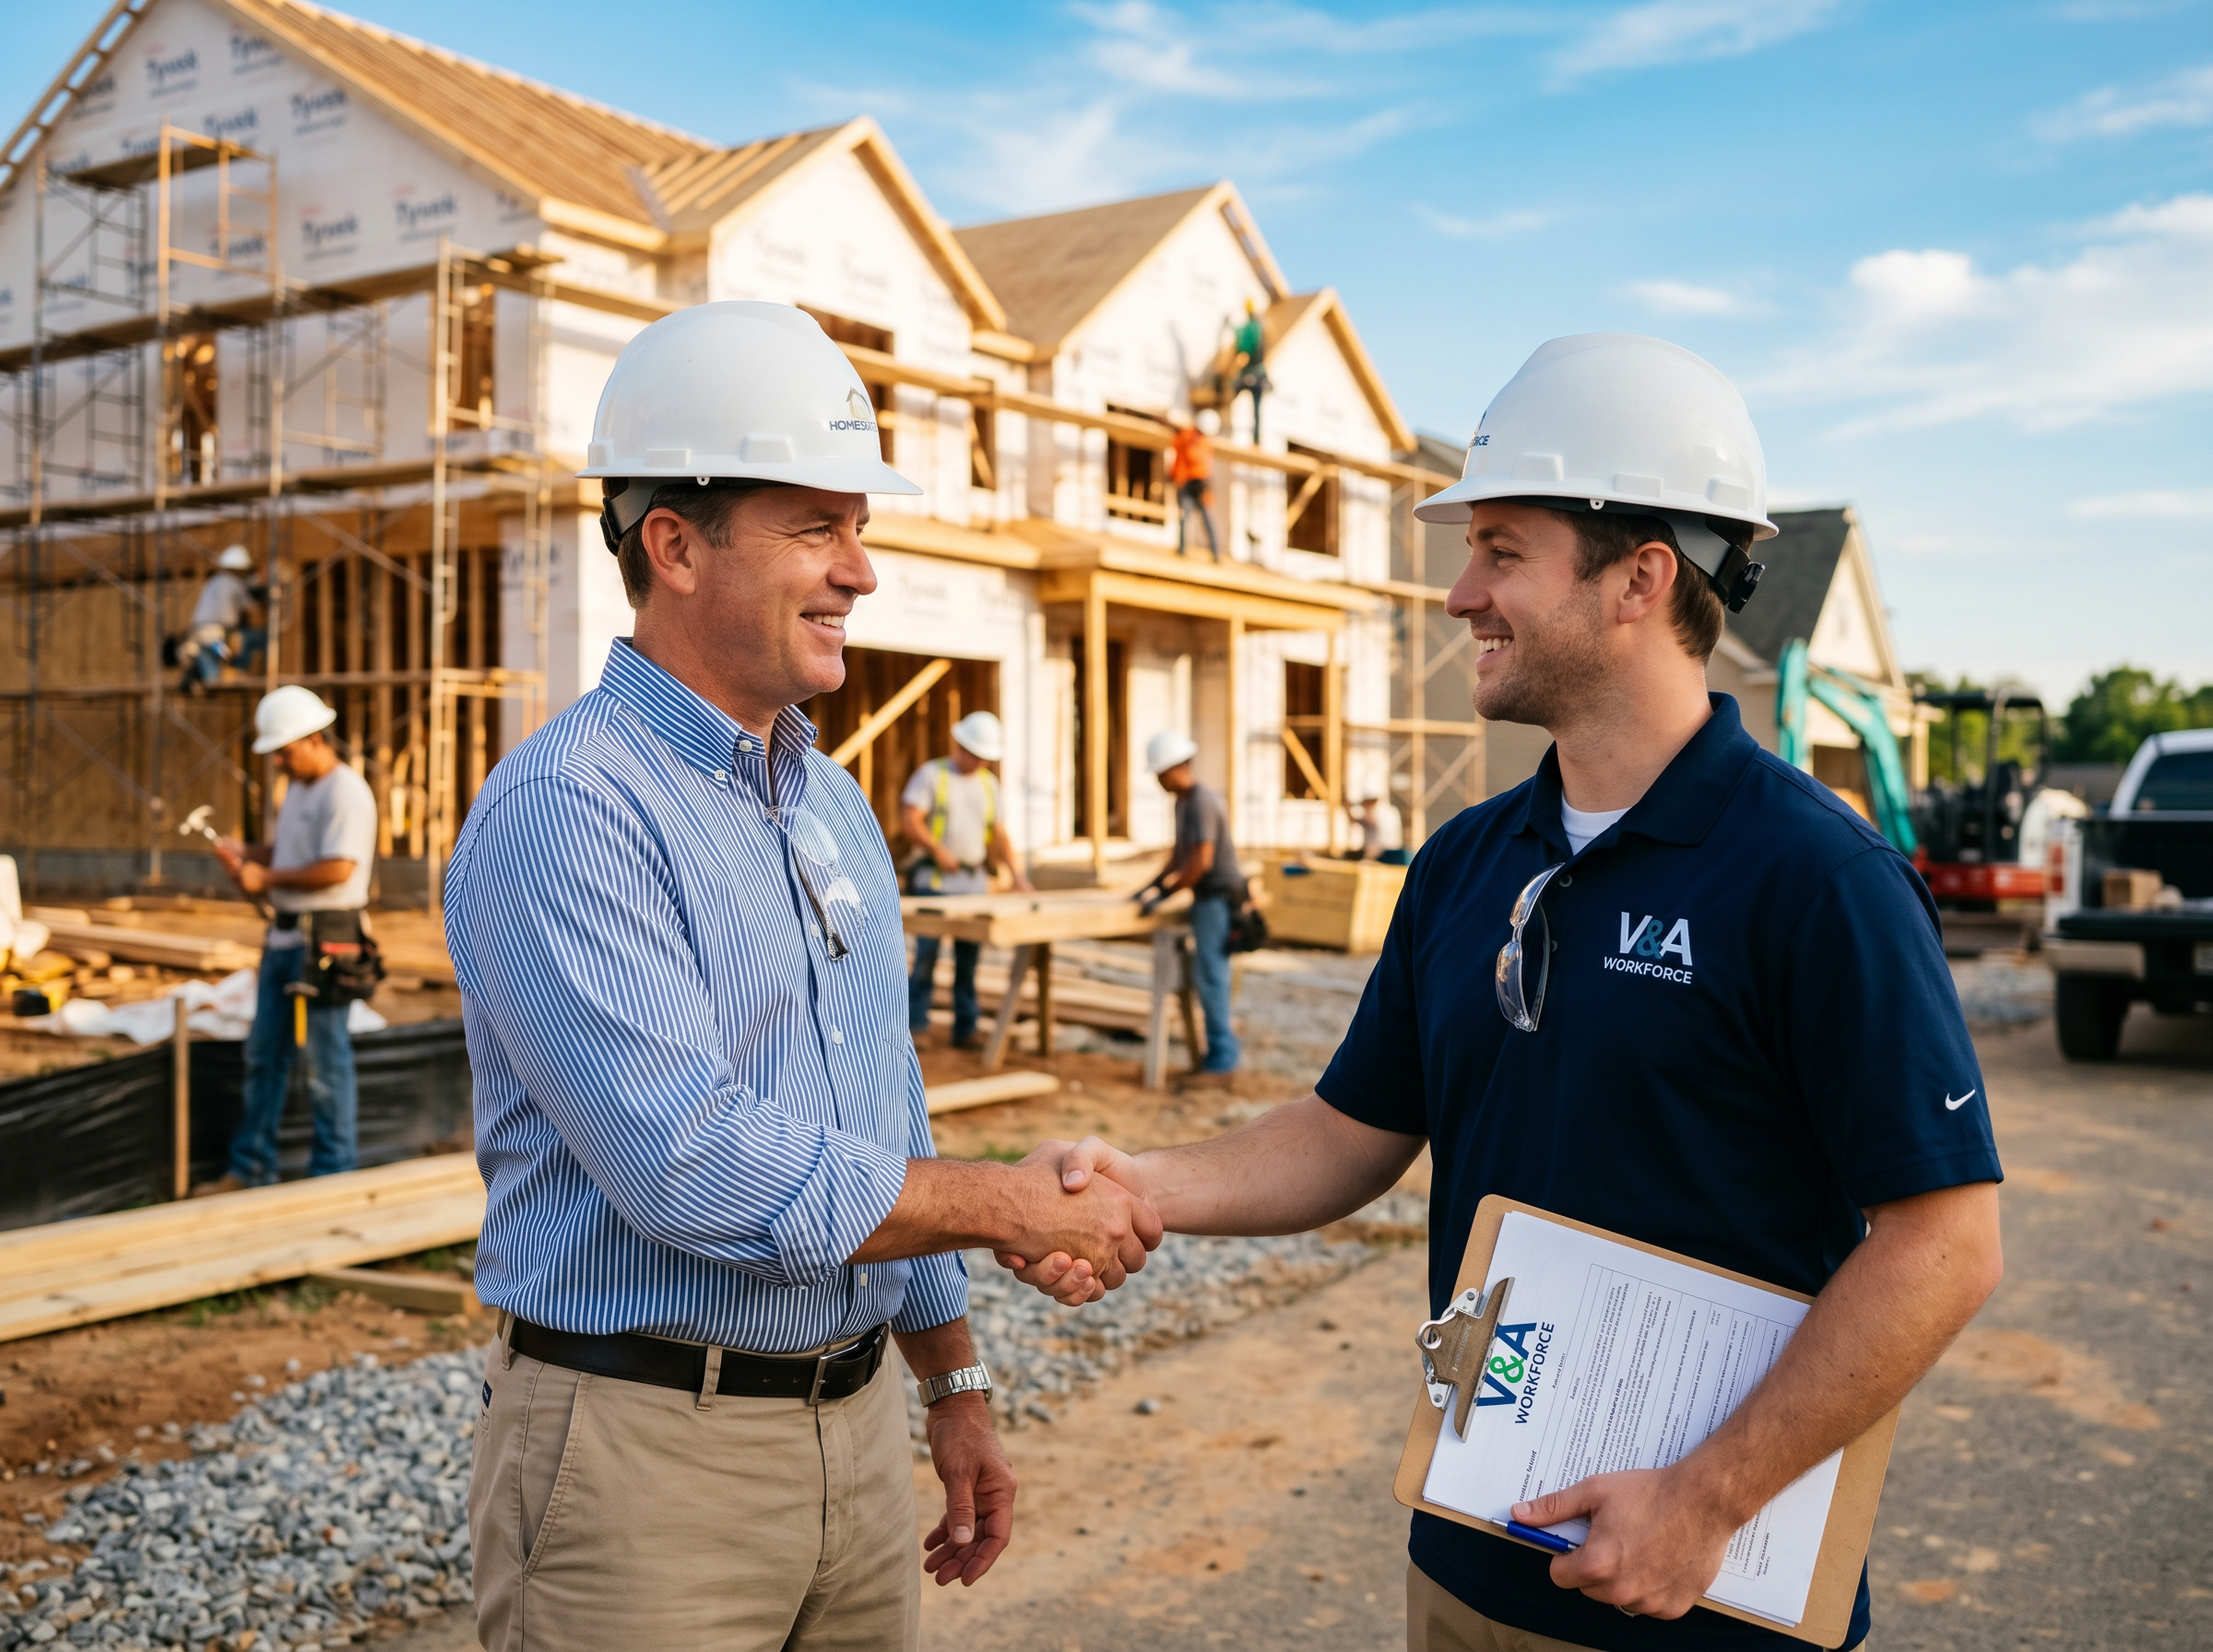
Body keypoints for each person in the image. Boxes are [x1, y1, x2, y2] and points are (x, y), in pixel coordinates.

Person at [1007, 336, 2004, 1652]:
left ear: (1642, 578)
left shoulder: (1817, 880)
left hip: (1701, 1596)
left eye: (1505, 552)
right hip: (1469, 1564)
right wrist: (1139, 1184)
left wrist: (1706, 1499)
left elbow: (1944, 1245)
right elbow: (1351, 1130)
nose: (1460, 592)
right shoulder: (1467, 863)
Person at [445, 301, 1160, 1652]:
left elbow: (881, 1100)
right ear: (675, 545)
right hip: (645, 1463)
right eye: (817, 528)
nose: (861, 573)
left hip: (851, 1433)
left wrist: (953, 1377)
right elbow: (690, 1164)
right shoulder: (571, 809)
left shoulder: (827, 802)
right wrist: (1009, 1203)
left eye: (861, 528)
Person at [194, 686, 377, 1194]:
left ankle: (333, 1175)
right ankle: (250, 1168)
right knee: (264, 1055)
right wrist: (250, 853)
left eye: (286, 750)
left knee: (324, 1061)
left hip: (326, 941)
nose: (279, 760)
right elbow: (292, 851)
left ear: (317, 738)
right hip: (285, 939)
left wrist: (265, 880)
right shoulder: (300, 788)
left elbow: (339, 868)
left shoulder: (346, 792)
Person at [903, 709, 1034, 1049]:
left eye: (986, 759)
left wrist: (1018, 876)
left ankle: (966, 1026)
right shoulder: (932, 775)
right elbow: (910, 821)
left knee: (969, 960)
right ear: (962, 746)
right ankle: (915, 1025)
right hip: (935, 885)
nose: (982, 764)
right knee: (926, 957)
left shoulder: (989, 785)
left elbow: (1000, 835)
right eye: (978, 756)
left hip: (973, 885)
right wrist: (936, 850)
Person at [1136, 730, 1245, 1083]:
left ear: (1174, 768)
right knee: (1206, 975)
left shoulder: (1201, 802)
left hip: (1217, 899)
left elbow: (1201, 862)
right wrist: (1151, 886)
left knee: (1212, 977)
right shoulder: (1184, 802)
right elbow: (1179, 856)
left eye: (1159, 773)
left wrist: (1166, 894)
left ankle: (1222, 1061)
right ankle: (1215, 1056)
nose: (1157, 781)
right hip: (1206, 898)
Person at [179, 544, 264, 694]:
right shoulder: (235, 583)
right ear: (239, 569)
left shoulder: (214, 581)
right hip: (217, 633)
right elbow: (251, 606)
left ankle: (195, 676)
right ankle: (238, 670)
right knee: (254, 639)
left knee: (212, 679)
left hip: (199, 633)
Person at [1170, 409, 1221, 560]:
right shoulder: (1189, 436)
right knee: (1185, 515)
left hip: (1198, 482)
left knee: (1203, 517)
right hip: (1189, 481)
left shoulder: (1200, 441)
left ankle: (1215, 552)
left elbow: (1195, 460)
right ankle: (1182, 548)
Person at [1230, 298, 1270, 443]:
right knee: (1257, 407)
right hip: (1258, 373)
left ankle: (1255, 438)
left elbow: (1244, 346)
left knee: (1232, 392)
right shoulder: (1259, 326)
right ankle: (1256, 438)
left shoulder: (1253, 328)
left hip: (1253, 372)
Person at [1348, 795, 1407, 865]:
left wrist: (1349, 806)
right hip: (1392, 851)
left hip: (1380, 852)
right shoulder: (1391, 811)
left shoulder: (1376, 813)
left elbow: (1364, 821)